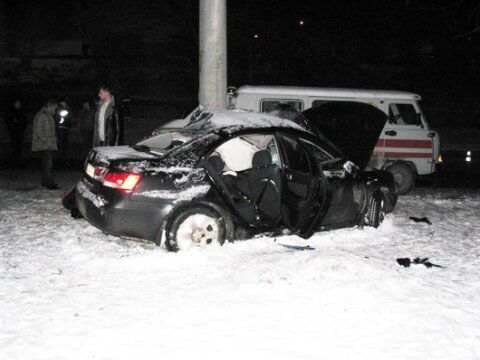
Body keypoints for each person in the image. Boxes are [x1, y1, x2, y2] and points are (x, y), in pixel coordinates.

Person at [31, 100, 60, 190]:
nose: (55, 110)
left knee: (46, 164)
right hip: (44, 145)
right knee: (48, 164)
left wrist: (53, 138)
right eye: (54, 108)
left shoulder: (47, 115)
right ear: (49, 106)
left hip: (46, 144)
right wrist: (47, 140)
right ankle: (49, 183)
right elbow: (39, 131)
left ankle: (45, 182)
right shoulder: (42, 116)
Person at [4, 100, 28, 167]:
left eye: (18, 104)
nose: (17, 105)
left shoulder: (22, 112)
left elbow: (25, 121)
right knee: (14, 146)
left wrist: (22, 127)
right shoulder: (11, 112)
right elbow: (7, 120)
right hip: (13, 131)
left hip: (20, 131)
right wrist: (12, 125)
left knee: (19, 147)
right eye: (16, 104)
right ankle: (14, 161)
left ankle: (18, 161)